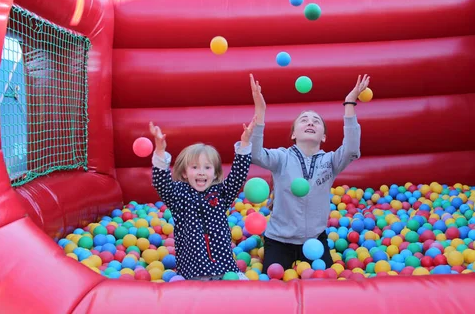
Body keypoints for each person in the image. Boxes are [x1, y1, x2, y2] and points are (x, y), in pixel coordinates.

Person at [249, 73, 370, 271]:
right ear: (294, 134)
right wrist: (260, 111)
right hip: (279, 240)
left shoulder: (330, 161)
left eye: (317, 121)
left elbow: (351, 149)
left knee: (324, 286)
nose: (311, 122)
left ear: (324, 137)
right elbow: (254, 154)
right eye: (304, 120)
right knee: (274, 283)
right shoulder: (281, 158)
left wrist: (350, 103)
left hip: (314, 241)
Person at [149, 117, 256, 280]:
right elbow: (161, 183)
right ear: (184, 173)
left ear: (215, 174)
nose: (201, 172)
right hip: (194, 272)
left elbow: (238, 176)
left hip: (225, 269)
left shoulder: (221, 192)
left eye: (207, 167)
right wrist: (160, 152)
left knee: (241, 288)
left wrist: (245, 144)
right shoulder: (178, 194)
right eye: (194, 167)